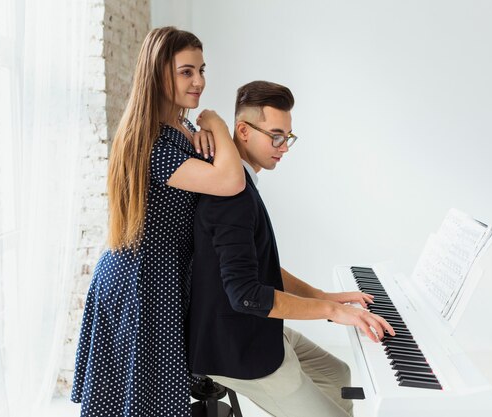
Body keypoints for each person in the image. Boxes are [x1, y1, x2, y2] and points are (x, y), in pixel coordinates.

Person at [188, 80, 395, 417]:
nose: (284, 147)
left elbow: (256, 267)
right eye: (276, 136)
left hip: (257, 331)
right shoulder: (232, 198)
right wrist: (333, 312)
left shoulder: (242, 185)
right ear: (242, 130)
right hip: (235, 348)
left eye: (288, 138)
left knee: (337, 374)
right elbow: (246, 294)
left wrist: (322, 296)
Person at [71, 27, 245, 417]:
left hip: (161, 280)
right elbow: (230, 182)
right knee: (139, 405)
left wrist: (202, 129)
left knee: (154, 402)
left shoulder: (182, 131)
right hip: (141, 283)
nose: (199, 81)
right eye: (187, 71)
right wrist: (215, 121)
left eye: (201, 70)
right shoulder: (152, 142)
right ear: (156, 73)